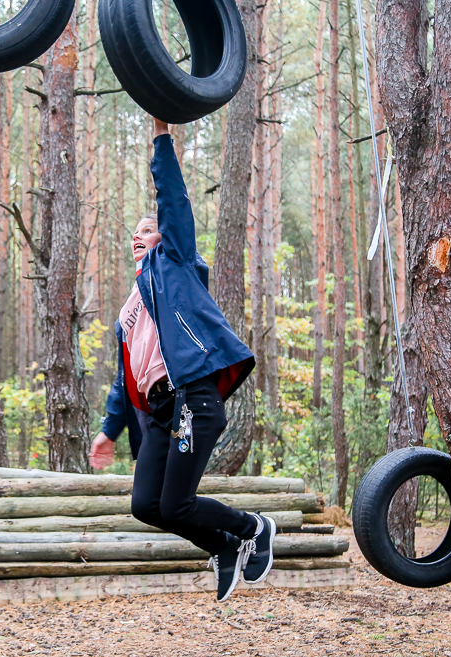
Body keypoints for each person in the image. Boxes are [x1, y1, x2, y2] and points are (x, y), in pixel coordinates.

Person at [88, 116, 274, 602]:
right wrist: (109, 431)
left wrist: (161, 136)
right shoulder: (129, 309)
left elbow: (173, 200)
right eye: (134, 232)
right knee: (147, 506)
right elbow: (126, 379)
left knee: (177, 504)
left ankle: (253, 527)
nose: (138, 235)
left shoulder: (174, 264)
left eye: (147, 229)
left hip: (193, 395)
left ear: (164, 237)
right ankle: (225, 546)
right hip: (157, 412)